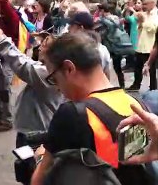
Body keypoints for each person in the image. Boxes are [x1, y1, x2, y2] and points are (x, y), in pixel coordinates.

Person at [31, 32, 152, 185]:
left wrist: (41, 157)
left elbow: (39, 181)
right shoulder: (136, 104)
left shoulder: (72, 114)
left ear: (69, 68)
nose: (58, 89)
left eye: (54, 79)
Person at [0, 25, 64, 133]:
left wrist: (1, 40)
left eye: (43, 45)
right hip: (35, 129)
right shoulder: (48, 68)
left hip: (35, 132)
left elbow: (21, 64)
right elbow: (27, 60)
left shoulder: (47, 74)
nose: (39, 48)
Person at [67, 12, 112, 79]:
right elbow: (107, 76)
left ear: (81, 28)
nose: (68, 29)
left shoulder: (76, 50)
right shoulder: (102, 48)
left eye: (72, 26)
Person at [128, 0, 158, 91]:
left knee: (151, 70)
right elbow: (139, 28)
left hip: (150, 46)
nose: (144, 6)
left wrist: (143, 22)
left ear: (152, 3)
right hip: (141, 45)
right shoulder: (144, 14)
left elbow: (153, 28)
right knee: (137, 67)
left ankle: (153, 87)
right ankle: (136, 84)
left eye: (145, 4)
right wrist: (140, 22)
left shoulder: (156, 14)